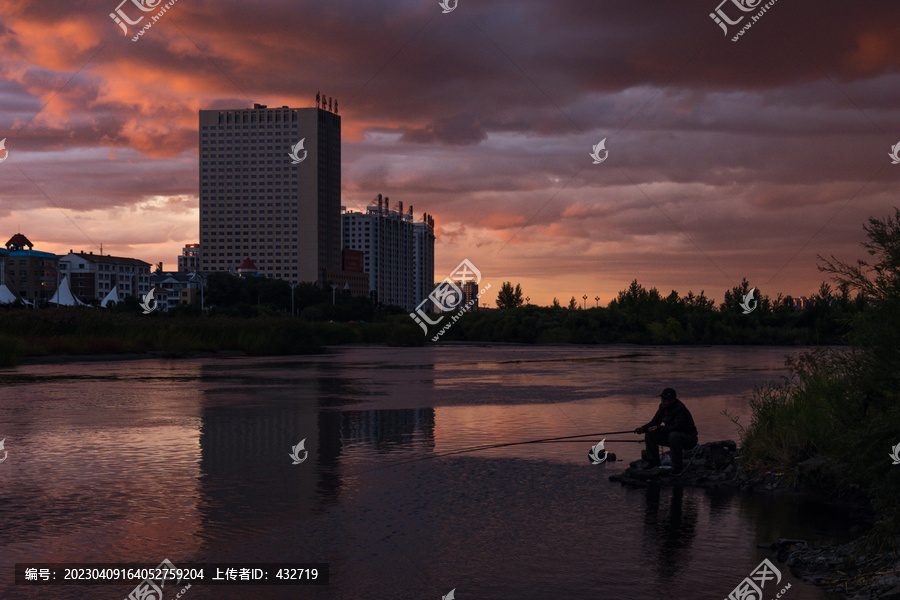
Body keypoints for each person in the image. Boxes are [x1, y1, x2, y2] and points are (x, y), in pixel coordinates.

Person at [634, 388, 698, 476]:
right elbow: (655, 421)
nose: (663, 401)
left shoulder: (680, 409)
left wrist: (659, 428)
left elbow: (677, 427)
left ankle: (678, 467)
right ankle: (654, 462)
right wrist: (643, 428)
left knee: (674, 435)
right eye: (662, 399)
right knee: (650, 434)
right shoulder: (663, 407)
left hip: (689, 439)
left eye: (665, 399)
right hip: (671, 436)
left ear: (673, 400)